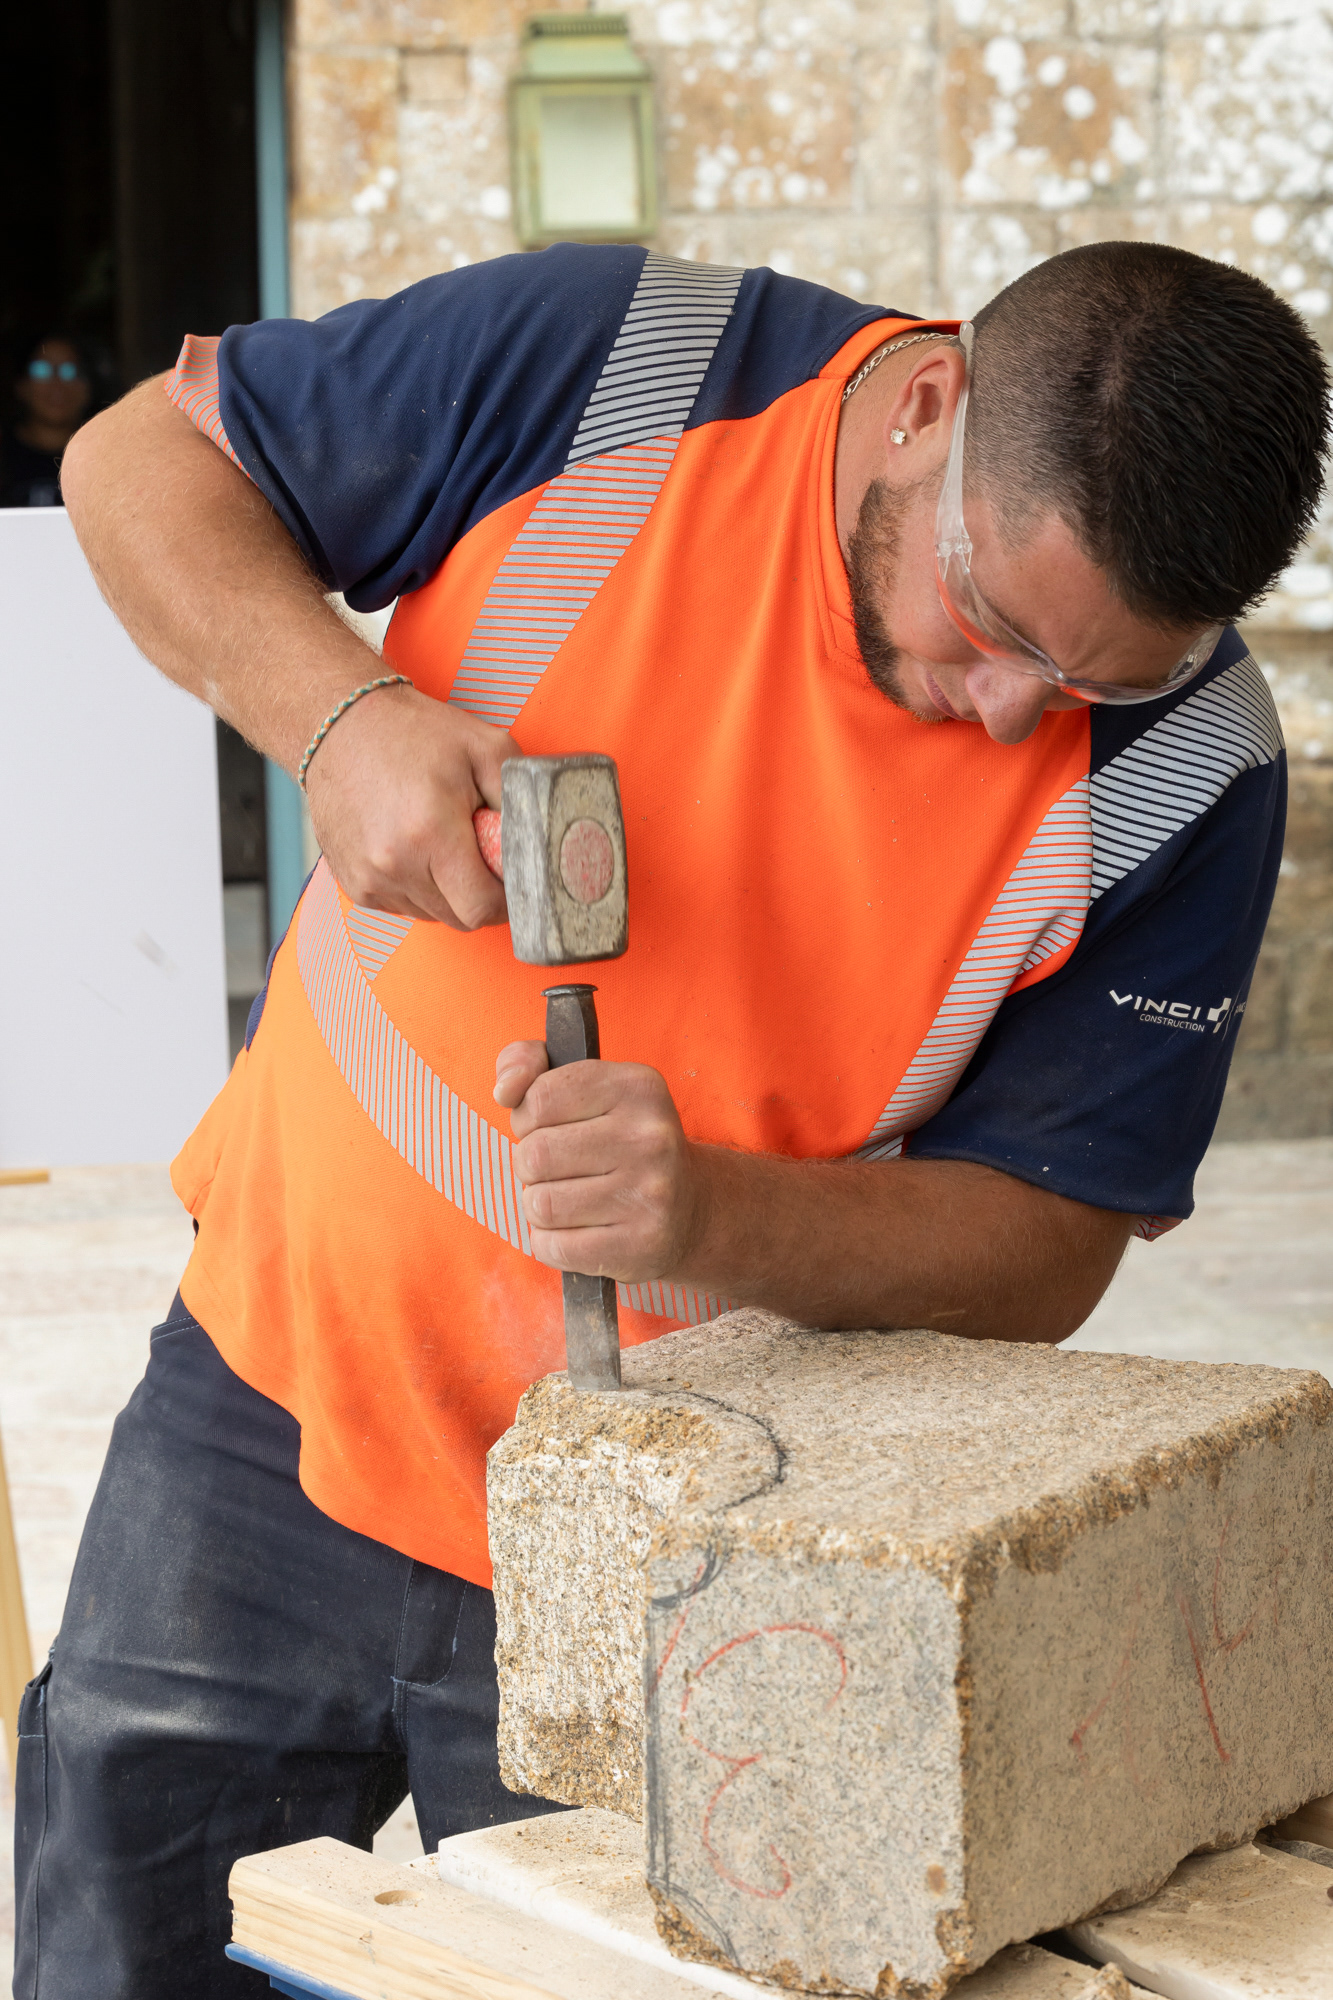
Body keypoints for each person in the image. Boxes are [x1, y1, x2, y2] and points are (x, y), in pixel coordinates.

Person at [18, 240, 1327, 1997]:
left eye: (1085, 682)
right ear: (925, 407)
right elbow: (130, 463)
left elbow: (1045, 1239)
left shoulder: (1193, 763)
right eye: (1000, 629)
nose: (1013, 710)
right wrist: (332, 715)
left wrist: (711, 1216)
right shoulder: (624, 366)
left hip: (687, 1531)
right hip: (273, 1396)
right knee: (120, 1950)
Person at [0, 334, 95, 507]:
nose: (57, 385)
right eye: (41, 370)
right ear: (22, 385)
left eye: (69, 371)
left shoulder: (105, 458)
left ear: (86, 388)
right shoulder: (4, 453)